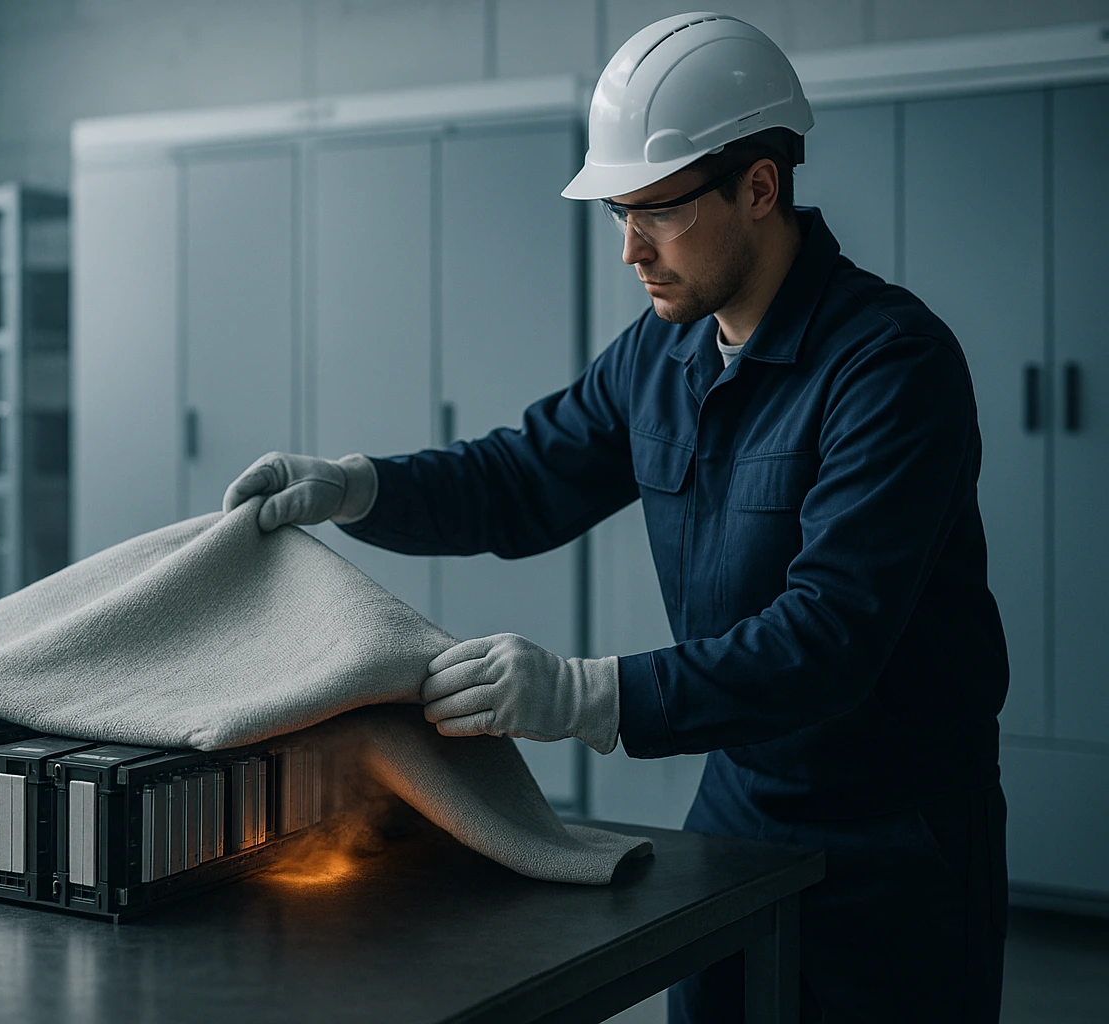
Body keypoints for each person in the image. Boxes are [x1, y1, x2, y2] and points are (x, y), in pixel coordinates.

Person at [222, 12, 1008, 1023]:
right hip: (740, 800)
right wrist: (358, 484)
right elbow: (521, 475)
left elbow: (830, 636)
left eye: (659, 212)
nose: (631, 249)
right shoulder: (660, 354)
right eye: (616, 214)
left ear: (759, 188)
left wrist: (591, 695)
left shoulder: (890, 366)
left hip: (897, 830)